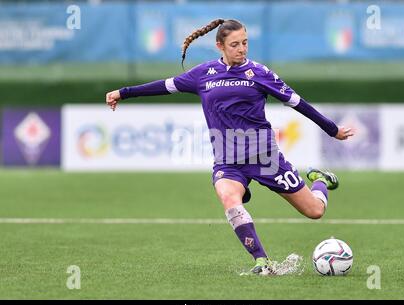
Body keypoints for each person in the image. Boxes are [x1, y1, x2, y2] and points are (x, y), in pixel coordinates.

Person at [106, 19, 354, 275]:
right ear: (220, 46)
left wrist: (331, 129)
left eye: (245, 43)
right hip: (227, 161)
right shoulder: (203, 74)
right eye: (234, 44)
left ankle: (320, 180)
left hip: (265, 158)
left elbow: (297, 102)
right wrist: (124, 93)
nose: (242, 49)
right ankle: (262, 262)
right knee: (229, 198)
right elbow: (165, 86)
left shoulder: (260, 73)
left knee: (315, 211)